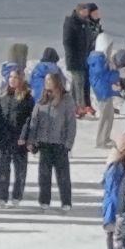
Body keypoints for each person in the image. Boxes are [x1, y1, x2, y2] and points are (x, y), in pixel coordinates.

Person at [27, 71, 76, 212]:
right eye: (46, 80)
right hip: (44, 143)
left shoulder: (66, 100)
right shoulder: (42, 99)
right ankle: (44, 200)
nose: (47, 82)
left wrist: (68, 143)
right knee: (44, 175)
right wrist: (32, 140)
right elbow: (34, 121)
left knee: (63, 176)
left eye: (49, 80)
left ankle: (66, 201)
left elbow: (71, 124)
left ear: (57, 82)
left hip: (60, 143)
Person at [0, 67, 34, 207]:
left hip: (20, 139)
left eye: (15, 77)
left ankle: (17, 196)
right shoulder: (3, 96)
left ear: (21, 79)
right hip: (5, 138)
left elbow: (30, 120)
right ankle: (2, 197)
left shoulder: (27, 98)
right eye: (10, 77)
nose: (12, 80)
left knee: (20, 170)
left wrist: (24, 136)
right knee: (3, 169)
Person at [88, 33, 123, 149]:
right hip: (102, 92)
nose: (111, 50)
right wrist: (118, 73)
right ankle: (100, 141)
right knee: (104, 117)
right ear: (104, 46)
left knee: (110, 115)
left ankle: (106, 137)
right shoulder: (98, 60)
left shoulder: (101, 58)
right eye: (109, 47)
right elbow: (105, 75)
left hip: (105, 90)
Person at [62, 4, 91, 112]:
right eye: (84, 11)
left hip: (83, 58)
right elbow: (67, 41)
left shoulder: (85, 23)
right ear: (79, 11)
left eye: (87, 11)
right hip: (74, 58)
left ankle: (71, 106)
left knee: (75, 84)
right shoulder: (71, 22)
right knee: (79, 82)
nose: (86, 13)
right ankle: (80, 106)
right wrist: (72, 55)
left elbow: (87, 39)